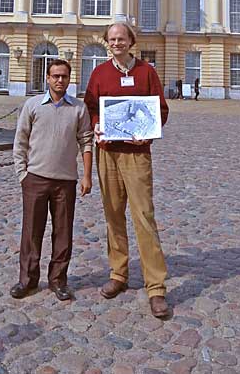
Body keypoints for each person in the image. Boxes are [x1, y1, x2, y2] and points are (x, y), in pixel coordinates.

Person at [84, 22, 170, 318]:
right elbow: (91, 107)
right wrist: (96, 123)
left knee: (143, 216)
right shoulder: (99, 73)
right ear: (107, 42)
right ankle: (118, 274)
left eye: (121, 38)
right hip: (107, 152)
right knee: (113, 214)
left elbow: (161, 109)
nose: (117, 43)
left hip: (137, 153)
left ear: (131, 41)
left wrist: (150, 131)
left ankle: (156, 287)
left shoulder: (147, 72)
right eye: (112, 39)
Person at [12, 59, 93, 301]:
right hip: (35, 178)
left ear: (69, 79)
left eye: (64, 77)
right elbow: (21, 140)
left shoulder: (79, 108)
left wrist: (87, 176)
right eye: (55, 76)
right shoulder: (33, 105)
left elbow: (86, 141)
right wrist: (22, 174)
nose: (60, 80)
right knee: (31, 233)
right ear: (47, 78)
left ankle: (58, 280)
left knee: (63, 233)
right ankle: (27, 280)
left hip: (65, 181)